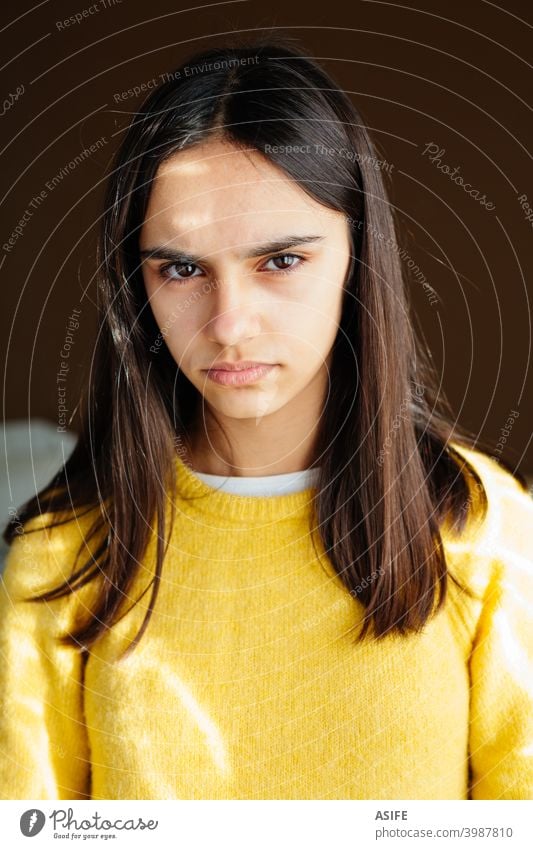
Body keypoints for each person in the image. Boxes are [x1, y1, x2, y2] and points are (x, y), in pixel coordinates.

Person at [1, 36, 532, 802]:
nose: (229, 323)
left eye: (280, 261)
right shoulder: (63, 556)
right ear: (136, 281)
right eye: (181, 269)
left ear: (357, 257)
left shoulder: (486, 530)